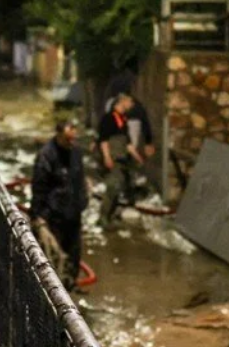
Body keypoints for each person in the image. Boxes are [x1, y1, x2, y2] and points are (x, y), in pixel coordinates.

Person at [31, 120, 88, 288]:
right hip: (53, 215)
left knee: (73, 256)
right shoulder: (47, 155)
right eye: (67, 139)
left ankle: (70, 286)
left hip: (73, 212)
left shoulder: (76, 152)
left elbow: (79, 178)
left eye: (73, 139)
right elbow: (39, 187)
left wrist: (83, 199)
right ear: (59, 135)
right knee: (54, 258)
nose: (71, 142)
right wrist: (38, 216)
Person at [97, 93, 145, 227]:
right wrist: (107, 157)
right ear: (122, 101)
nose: (132, 105)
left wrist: (137, 156)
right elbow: (103, 140)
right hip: (113, 158)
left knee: (120, 187)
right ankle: (103, 217)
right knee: (113, 186)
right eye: (130, 102)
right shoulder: (108, 118)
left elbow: (128, 143)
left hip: (122, 158)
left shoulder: (123, 120)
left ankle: (111, 215)